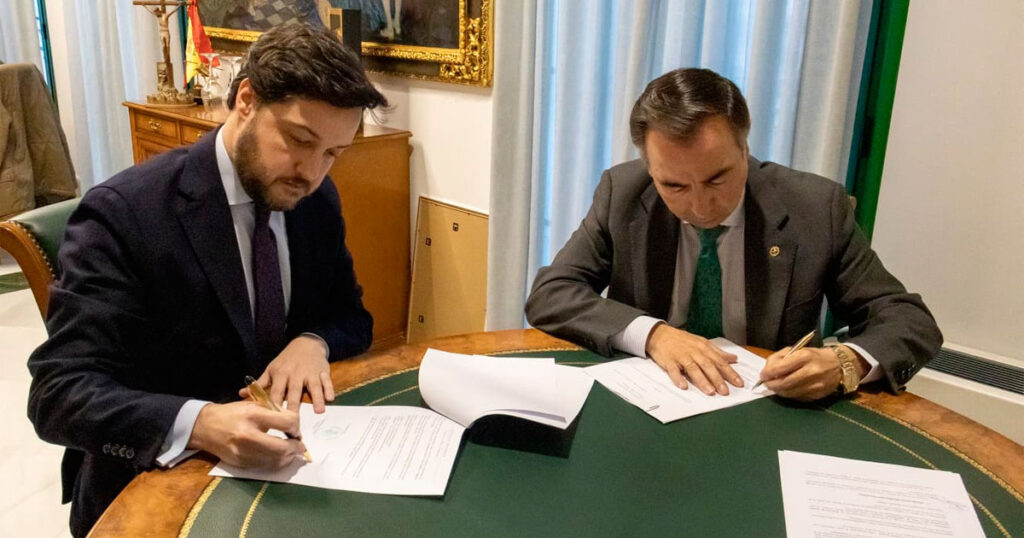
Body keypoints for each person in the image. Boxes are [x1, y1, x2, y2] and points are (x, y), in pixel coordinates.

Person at [27, 24, 388, 537]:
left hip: (285, 472)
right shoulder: (126, 213)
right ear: (246, 100)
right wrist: (198, 423)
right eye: (298, 140)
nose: (311, 172)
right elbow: (59, 393)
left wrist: (314, 341)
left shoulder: (315, 201)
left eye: (333, 153)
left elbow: (350, 315)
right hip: (156, 485)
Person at [525, 68, 941, 402]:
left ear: (744, 149)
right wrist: (653, 335)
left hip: (766, 404)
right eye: (674, 186)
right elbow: (552, 293)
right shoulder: (624, 193)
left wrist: (844, 362)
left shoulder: (814, 207)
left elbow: (909, 320)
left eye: (717, 178)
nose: (700, 206)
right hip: (650, 398)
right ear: (649, 168)